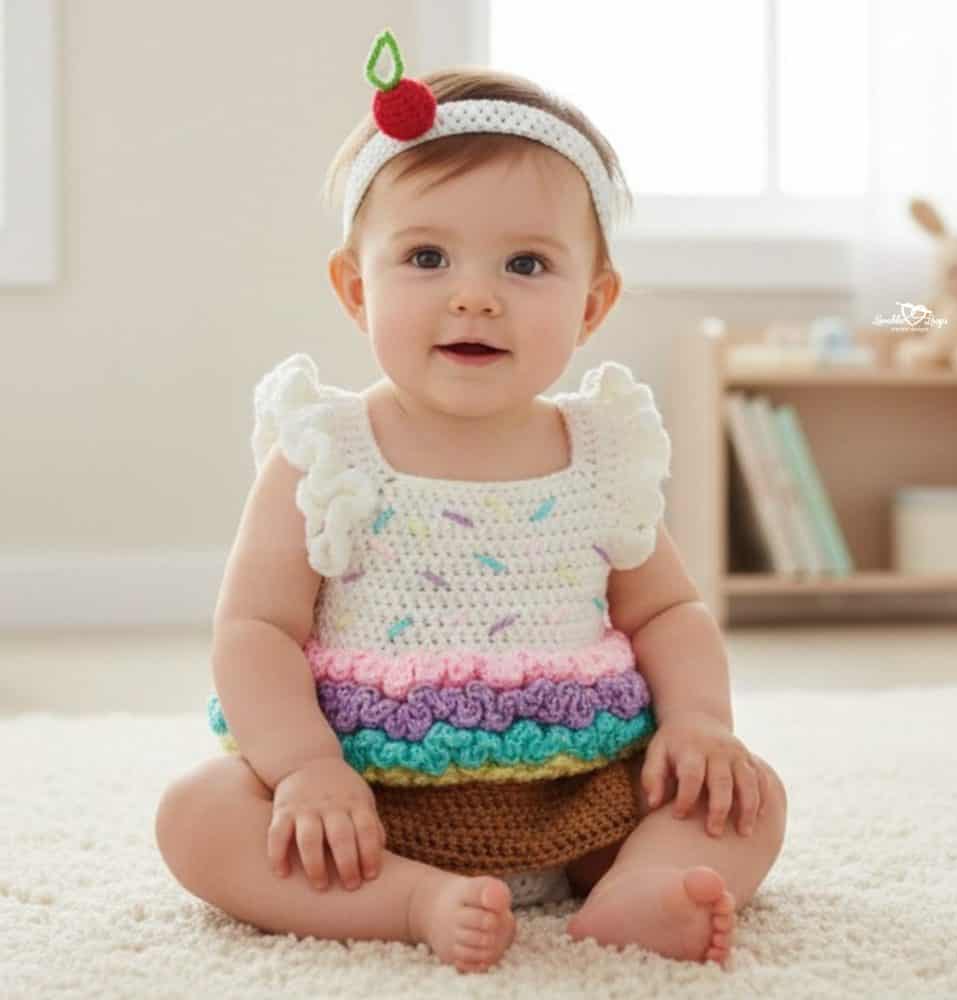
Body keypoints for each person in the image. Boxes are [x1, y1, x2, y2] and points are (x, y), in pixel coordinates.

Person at [155, 27, 788, 975]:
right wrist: (308, 770)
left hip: (581, 794)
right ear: (354, 290)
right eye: (425, 258)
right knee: (197, 817)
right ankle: (414, 900)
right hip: (365, 803)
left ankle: (632, 891)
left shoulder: (600, 452)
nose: (476, 298)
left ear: (592, 305)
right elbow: (255, 628)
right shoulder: (324, 451)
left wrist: (700, 724)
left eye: (526, 265)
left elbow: (666, 608)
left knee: (749, 800)